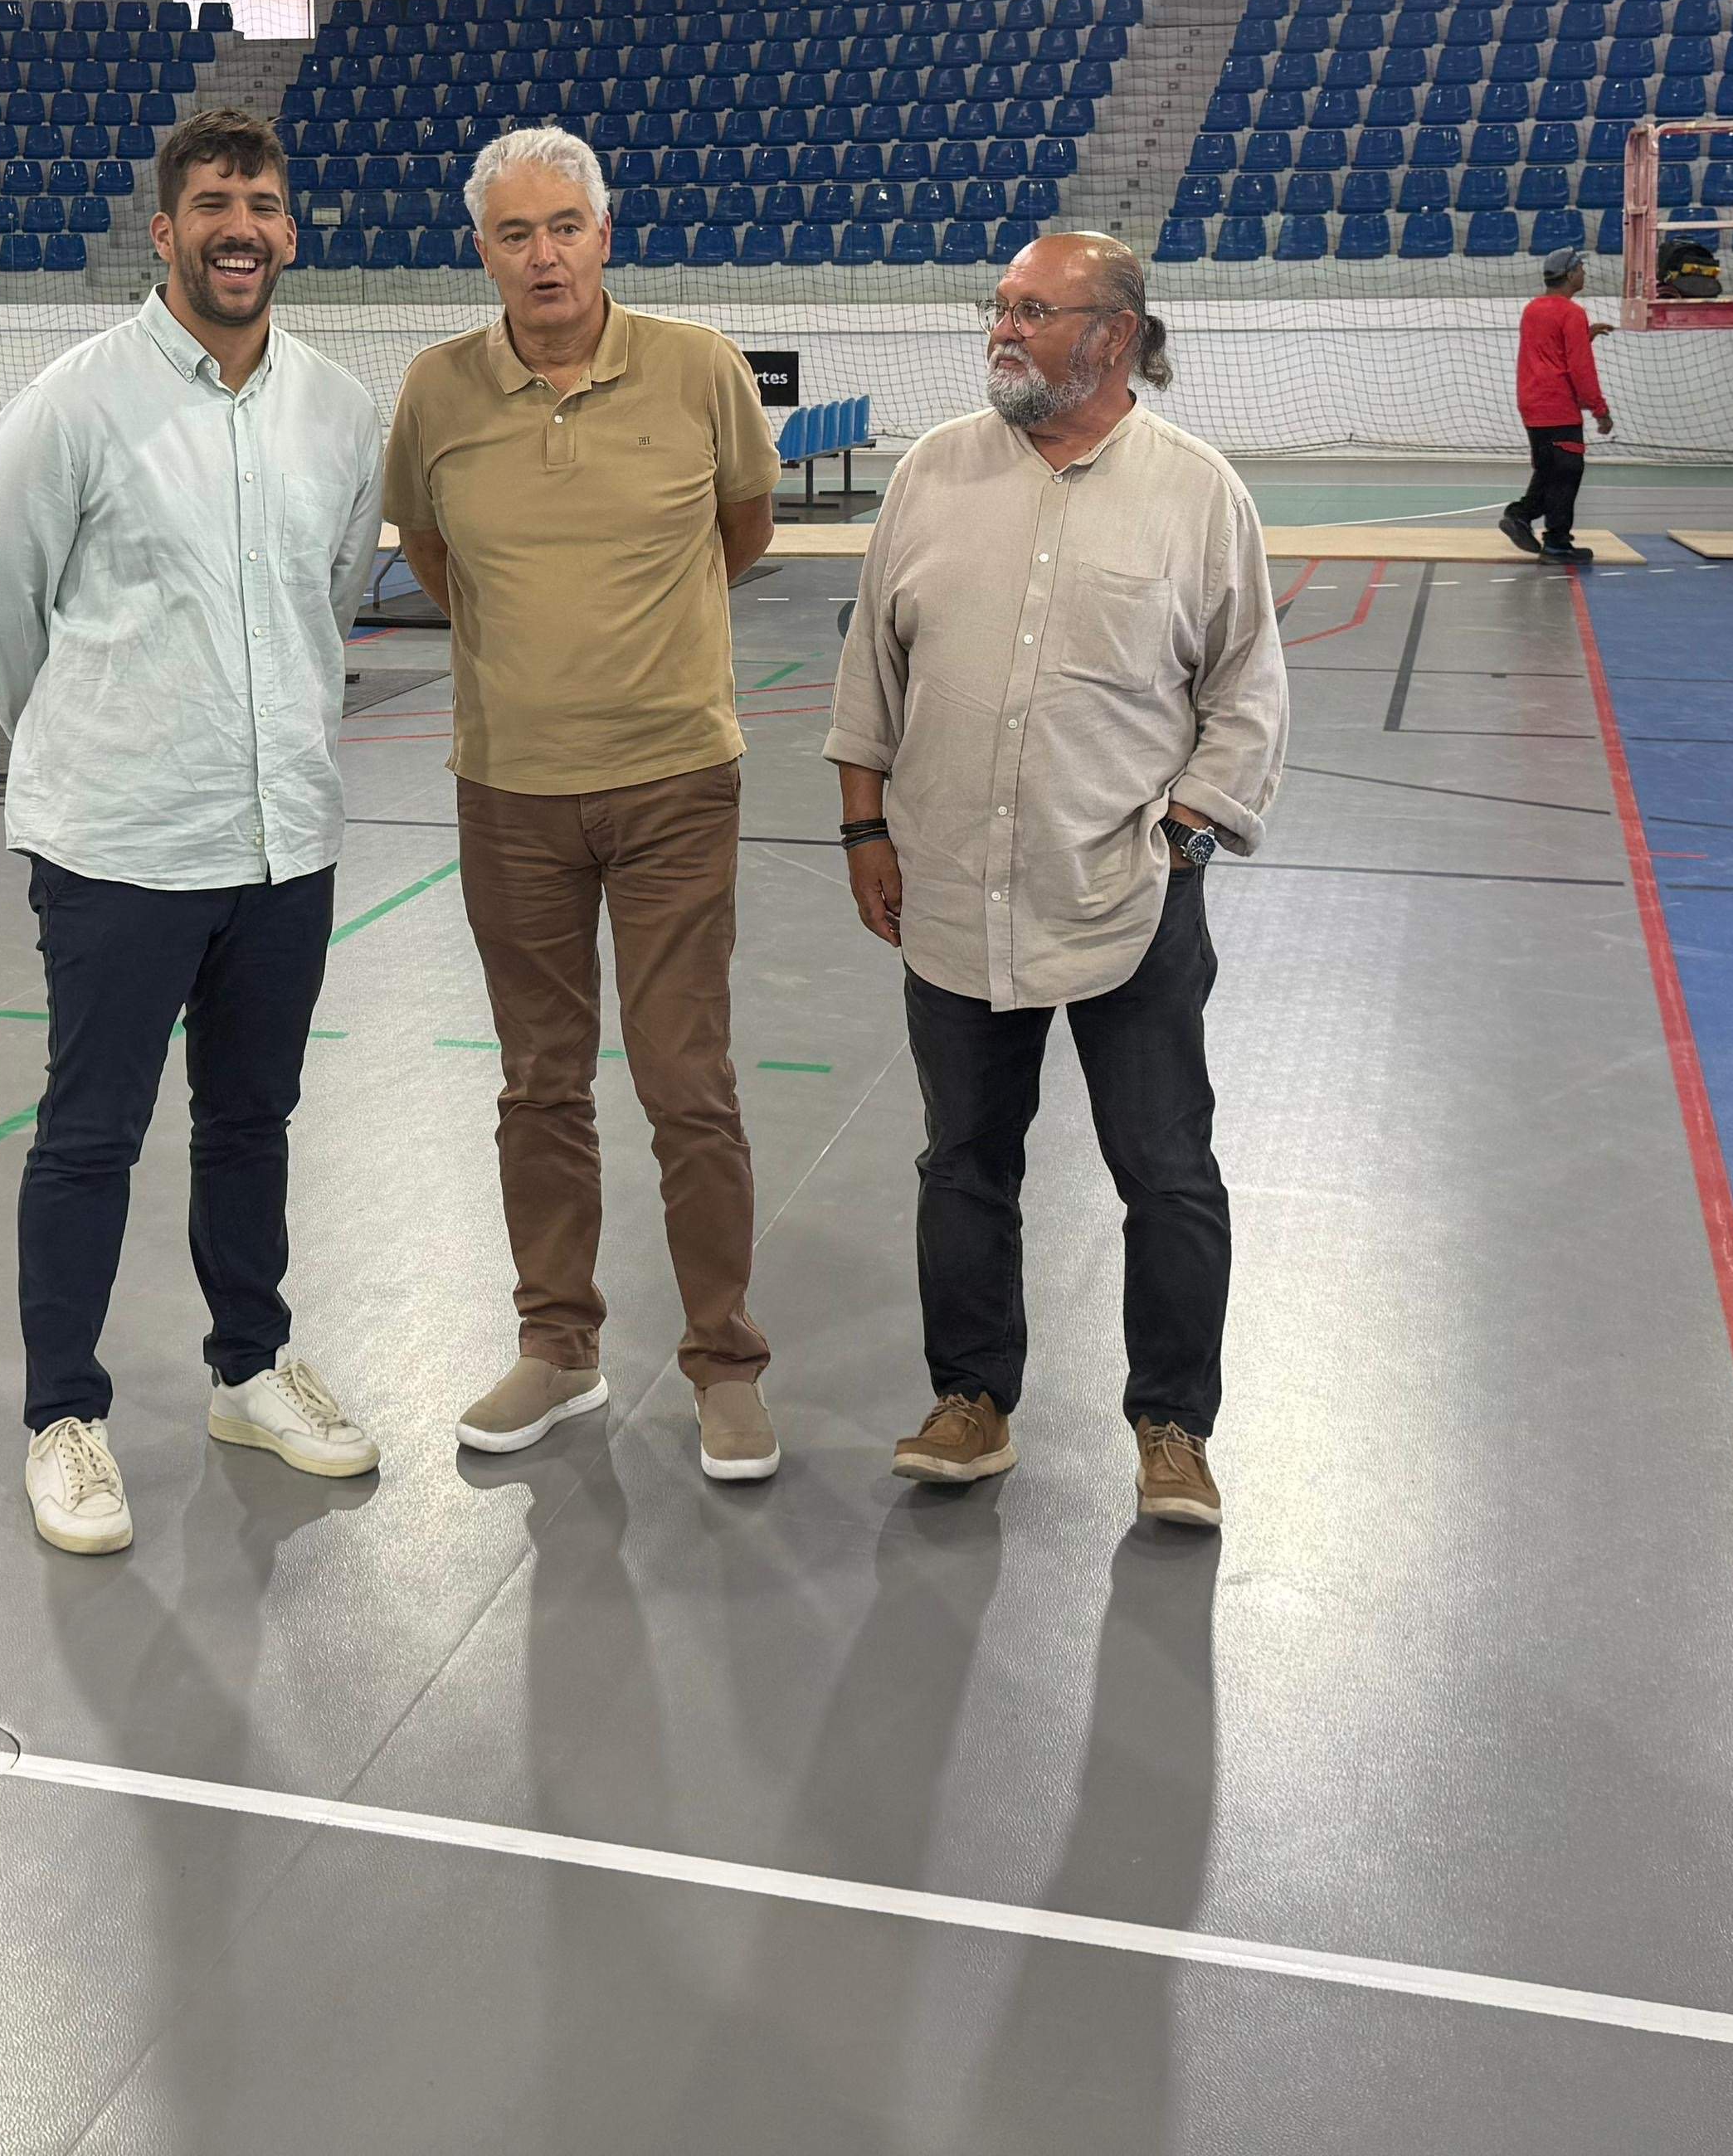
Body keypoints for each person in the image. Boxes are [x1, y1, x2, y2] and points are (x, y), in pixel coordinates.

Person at [0, 107, 386, 1556]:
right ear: (165, 231)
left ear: (289, 229)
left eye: (261, 204)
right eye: (212, 205)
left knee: (251, 1121)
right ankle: (62, 1419)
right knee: (90, 1136)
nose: (239, 229)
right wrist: (94, 747)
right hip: (120, 844)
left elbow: (330, 596)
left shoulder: (339, 409)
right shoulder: (74, 404)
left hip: (282, 841)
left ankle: (250, 1371)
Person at [827, 229, 1287, 1530]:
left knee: (1166, 1169)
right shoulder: (931, 473)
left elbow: (1247, 695)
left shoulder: (1197, 494)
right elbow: (872, 673)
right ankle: (970, 1401)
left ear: (1116, 335)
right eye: (1002, 306)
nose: (1004, 330)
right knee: (964, 1163)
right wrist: (864, 833)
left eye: (1035, 310)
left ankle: (1173, 1427)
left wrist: (1181, 841)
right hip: (952, 890)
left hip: (1128, 899)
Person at [385, 124, 786, 1485]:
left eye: (565, 227)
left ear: (605, 236)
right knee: (540, 1083)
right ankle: (557, 1346)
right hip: (509, 796)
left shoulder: (699, 369)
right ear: (483, 252)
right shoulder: (436, 391)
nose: (544, 255)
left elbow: (741, 532)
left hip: (675, 784)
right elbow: (433, 554)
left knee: (687, 1081)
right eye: (516, 233)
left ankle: (725, 1361)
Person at [1499, 243, 1614, 561]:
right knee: (1567, 473)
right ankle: (1555, 541)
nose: (1584, 273)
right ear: (1571, 273)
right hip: (1558, 405)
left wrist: (1582, 336)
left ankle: (1521, 518)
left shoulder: (1533, 309)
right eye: (1581, 268)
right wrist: (1600, 410)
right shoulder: (1572, 313)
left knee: (1549, 470)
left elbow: (1549, 349)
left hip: (1532, 403)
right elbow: (1580, 368)